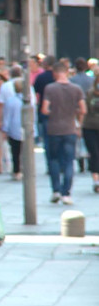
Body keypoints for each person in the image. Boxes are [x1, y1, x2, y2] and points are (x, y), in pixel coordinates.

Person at [42, 62, 86, 205]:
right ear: (67, 72)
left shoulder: (50, 88)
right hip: (70, 128)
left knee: (53, 160)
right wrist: (77, 118)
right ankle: (66, 193)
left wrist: (53, 112)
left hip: (54, 128)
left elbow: (44, 110)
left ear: (54, 73)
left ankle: (55, 190)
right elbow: (83, 109)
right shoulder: (76, 89)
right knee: (68, 161)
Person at [0, 74, 34, 181]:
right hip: (25, 128)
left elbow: (7, 117)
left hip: (14, 129)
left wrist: (5, 129)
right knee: (26, 151)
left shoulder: (11, 101)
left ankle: (17, 170)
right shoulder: (29, 100)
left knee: (15, 151)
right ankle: (24, 169)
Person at [33, 55, 56, 149]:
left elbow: (34, 91)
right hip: (58, 110)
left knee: (47, 137)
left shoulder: (41, 77)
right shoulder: (56, 77)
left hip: (44, 109)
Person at [82, 76, 99, 193]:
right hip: (90, 127)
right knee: (94, 153)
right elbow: (83, 110)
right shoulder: (89, 94)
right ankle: (96, 180)